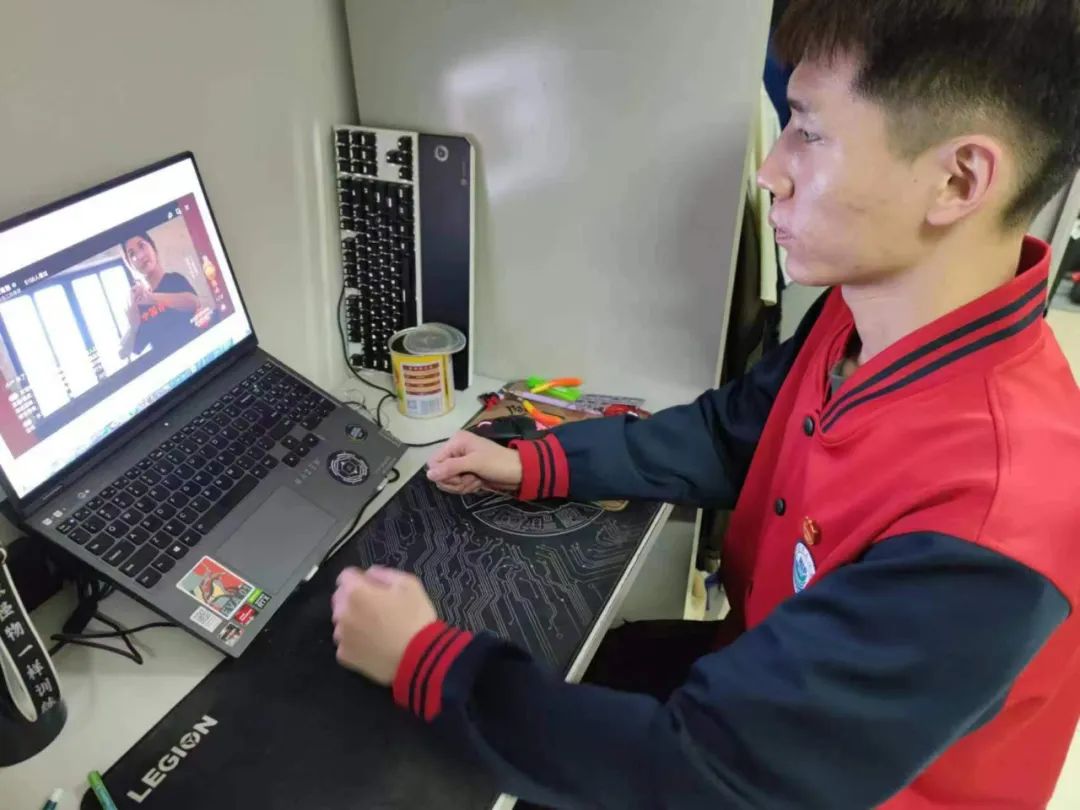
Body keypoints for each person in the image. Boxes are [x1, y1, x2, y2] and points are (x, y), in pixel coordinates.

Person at [330, 1, 1080, 807]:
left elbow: (706, 776)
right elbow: (732, 436)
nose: (771, 171)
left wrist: (423, 664)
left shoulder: (995, 520)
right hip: (761, 669)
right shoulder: (866, 314)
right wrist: (533, 462)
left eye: (808, 132)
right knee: (590, 666)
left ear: (958, 180)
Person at [118, 232, 201, 359]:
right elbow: (123, 353)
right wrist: (133, 326)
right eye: (132, 254)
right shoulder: (138, 305)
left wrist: (151, 298)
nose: (140, 256)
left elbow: (194, 303)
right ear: (130, 266)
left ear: (153, 248)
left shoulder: (174, 279)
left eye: (142, 246)